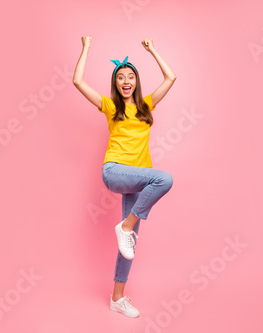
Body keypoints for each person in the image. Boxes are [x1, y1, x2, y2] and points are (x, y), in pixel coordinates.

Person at [72, 35, 177, 318]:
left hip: (138, 180)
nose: (126, 80)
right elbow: (78, 82)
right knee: (164, 179)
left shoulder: (146, 105)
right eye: (121, 77)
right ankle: (126, 227)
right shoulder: (109, 106)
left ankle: (117, 298)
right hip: (115, 171)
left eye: (130, 76)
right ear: (116, 84)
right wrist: (86, 49)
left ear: (136, 81)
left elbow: (171, 77)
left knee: (128, 245)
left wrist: (153, 50)